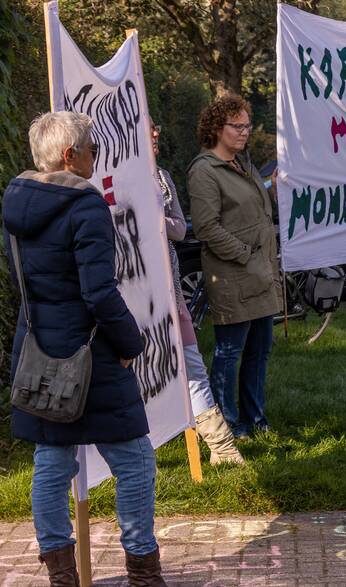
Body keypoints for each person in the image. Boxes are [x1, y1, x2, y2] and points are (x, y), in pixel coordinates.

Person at [2, 111, 167, 585]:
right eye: (92, 147)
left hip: (39, 350)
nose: (96, 154)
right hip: (91, 354)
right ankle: (143, 571)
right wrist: (131, 342)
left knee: (52, 462)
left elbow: (28, 282)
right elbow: (99, 293)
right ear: (69, 155)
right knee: (135, 459)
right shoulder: (85, 205)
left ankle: (61, 576)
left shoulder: (17, 201)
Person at [187, 95, 282, 440]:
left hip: (261, 273)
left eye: (247, 125)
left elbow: (255, 208)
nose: (244, 132)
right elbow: (206, 228)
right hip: (233, 276)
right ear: (216, 128)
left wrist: (274, 190)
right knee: (230, 352)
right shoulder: (204, 171)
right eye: (236, 126)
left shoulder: (244, 164)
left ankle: (255, 419)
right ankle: (225, 424)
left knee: (260, 350)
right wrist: (243, 253)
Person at [152, 124, 243, 464]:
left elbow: (178, 229)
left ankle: (222, 449)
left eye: (156, 128)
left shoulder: (162, 177)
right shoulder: (112, 179)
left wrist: (156, 218)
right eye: (149, 129)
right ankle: (140, 456)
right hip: (138, 298)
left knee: (193, 367)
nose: (156, 135)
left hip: (172, 294)